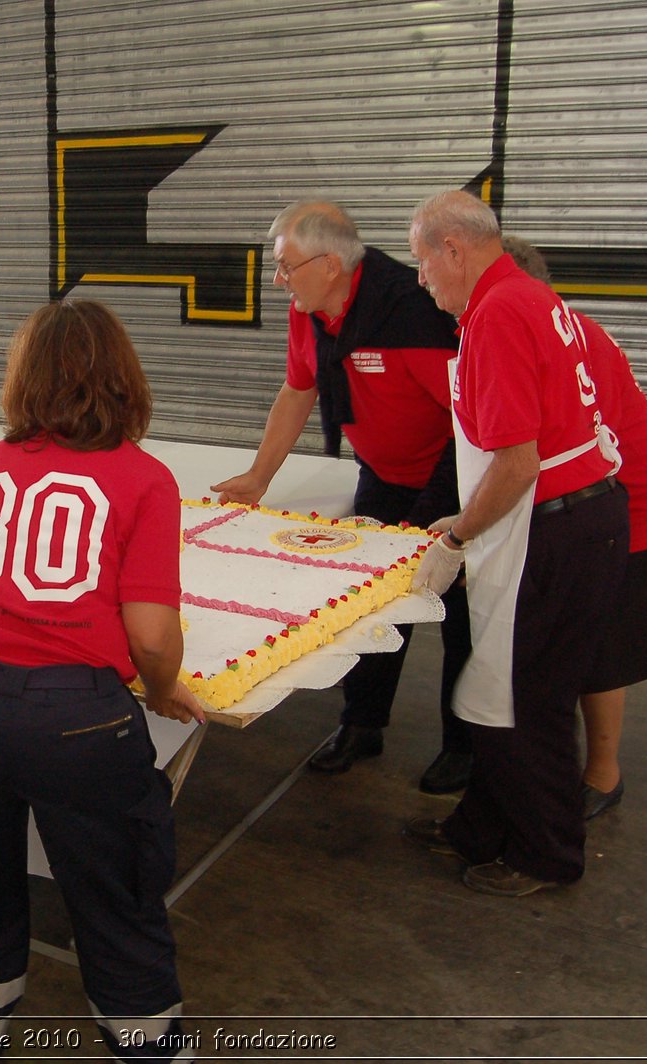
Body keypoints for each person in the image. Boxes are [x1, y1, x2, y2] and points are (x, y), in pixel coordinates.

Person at [0, 299, 203, 1060]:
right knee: (116, 895)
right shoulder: (144, 478)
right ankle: (146, 1042)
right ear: (124, 378)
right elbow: (149, 632)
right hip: (75, 718)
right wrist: (165, 686)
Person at [403, 191, 628, 898]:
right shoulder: (527, 297)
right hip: (575, 517)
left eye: (422, 262)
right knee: (501, 686)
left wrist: (460, 533)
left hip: (554, 525)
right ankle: (482, 825)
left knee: (527, 697)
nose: (421, 280)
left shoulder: (498, 314)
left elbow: (517, 462)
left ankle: (547, 853)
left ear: (453, 251)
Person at [211, 200, 473, 794]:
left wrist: (440, 511)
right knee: (372, 608)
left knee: (458, 614)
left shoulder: (411, 312)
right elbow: (298, 389)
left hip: (450, 478)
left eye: (285, 266)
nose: (278, 281)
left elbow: (469, 418)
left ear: (331, 265)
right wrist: (259, 476)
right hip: (380, 474)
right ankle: (362, 724)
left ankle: (464, 745)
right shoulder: (309, 311)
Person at [501, 237, 647, 819]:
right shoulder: (550, 328)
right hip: (601, 492)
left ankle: (601, 775)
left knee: (601, 644)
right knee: (586, 638)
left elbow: (577, 441)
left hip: (631, 497)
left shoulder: (574, 337)